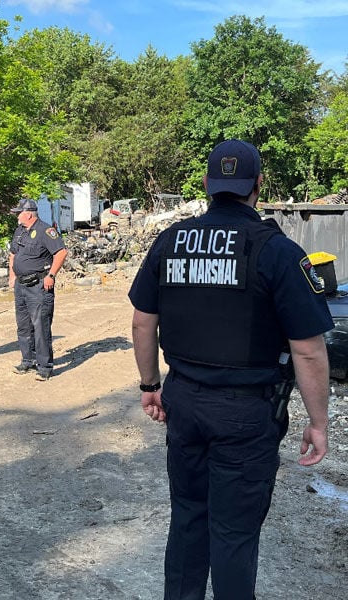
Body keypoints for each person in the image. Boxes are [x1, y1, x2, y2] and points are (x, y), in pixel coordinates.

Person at [128, 139, 331, 600]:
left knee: (187, 518)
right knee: (234, 535)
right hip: (245, 414)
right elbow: (308, 350)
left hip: (184, 402)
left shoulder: (170, 241)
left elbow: (143, 322)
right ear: (258, 185)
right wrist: (318, 422)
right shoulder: (278, 251)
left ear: (207, 184)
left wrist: (149, 385)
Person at [7, 198, 67, 380]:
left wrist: (52, 275)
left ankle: (45, 367)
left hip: (39, 285)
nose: (17, 216)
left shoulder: (45, 230)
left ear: (29, 213)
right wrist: (12, 276)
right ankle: (27, 360)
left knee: (40, 326)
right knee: (23, 326)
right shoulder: (20, 230)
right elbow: (13, 254)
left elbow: (61, 252)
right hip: (21, 285)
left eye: (19, 213)